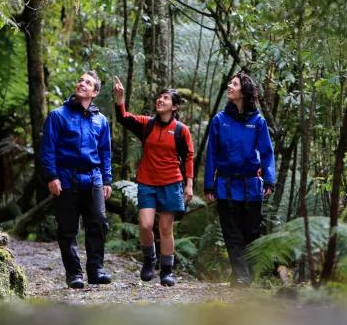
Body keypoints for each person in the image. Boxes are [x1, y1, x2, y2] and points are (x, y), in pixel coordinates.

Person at [113, 76, 194, 286]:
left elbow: (188, 157)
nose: (160, 100)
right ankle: (149, 260)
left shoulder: (180, 130)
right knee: (145, 224)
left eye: (166, 98)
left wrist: (189, 184)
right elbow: (124, 118)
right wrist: (119, 100)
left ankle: (167, 271)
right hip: (147, 182)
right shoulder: (146, 124)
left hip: (171, 183)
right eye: (159, 97)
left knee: (166, 229)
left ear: (174, 106)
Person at [41, 71, 113, 289]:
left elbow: (105, 152)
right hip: (66, 178)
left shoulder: (101, 120)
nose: (82, 84)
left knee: (98, 224)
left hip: (93, 179)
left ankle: (96, 270)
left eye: (88, 83)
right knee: (67, 228)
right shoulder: (58, 115)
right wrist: (52, 176)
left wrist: (107, 180)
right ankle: (74, 274)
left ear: (95, 92)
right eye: (81, 80)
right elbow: (48, 149)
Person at [204, 71, 275, 287]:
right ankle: (242, 277)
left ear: (244, 91)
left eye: (234, 84)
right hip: (225, 186)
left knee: (251, 232)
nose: (229, 86)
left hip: (251, 186)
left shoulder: (258, 121)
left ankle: (244, 275)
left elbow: (266, 152)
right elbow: (212, 154)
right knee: (231, 233)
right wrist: (209, 184)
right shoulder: (219, 120)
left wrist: (269, 179)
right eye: (230, 83)